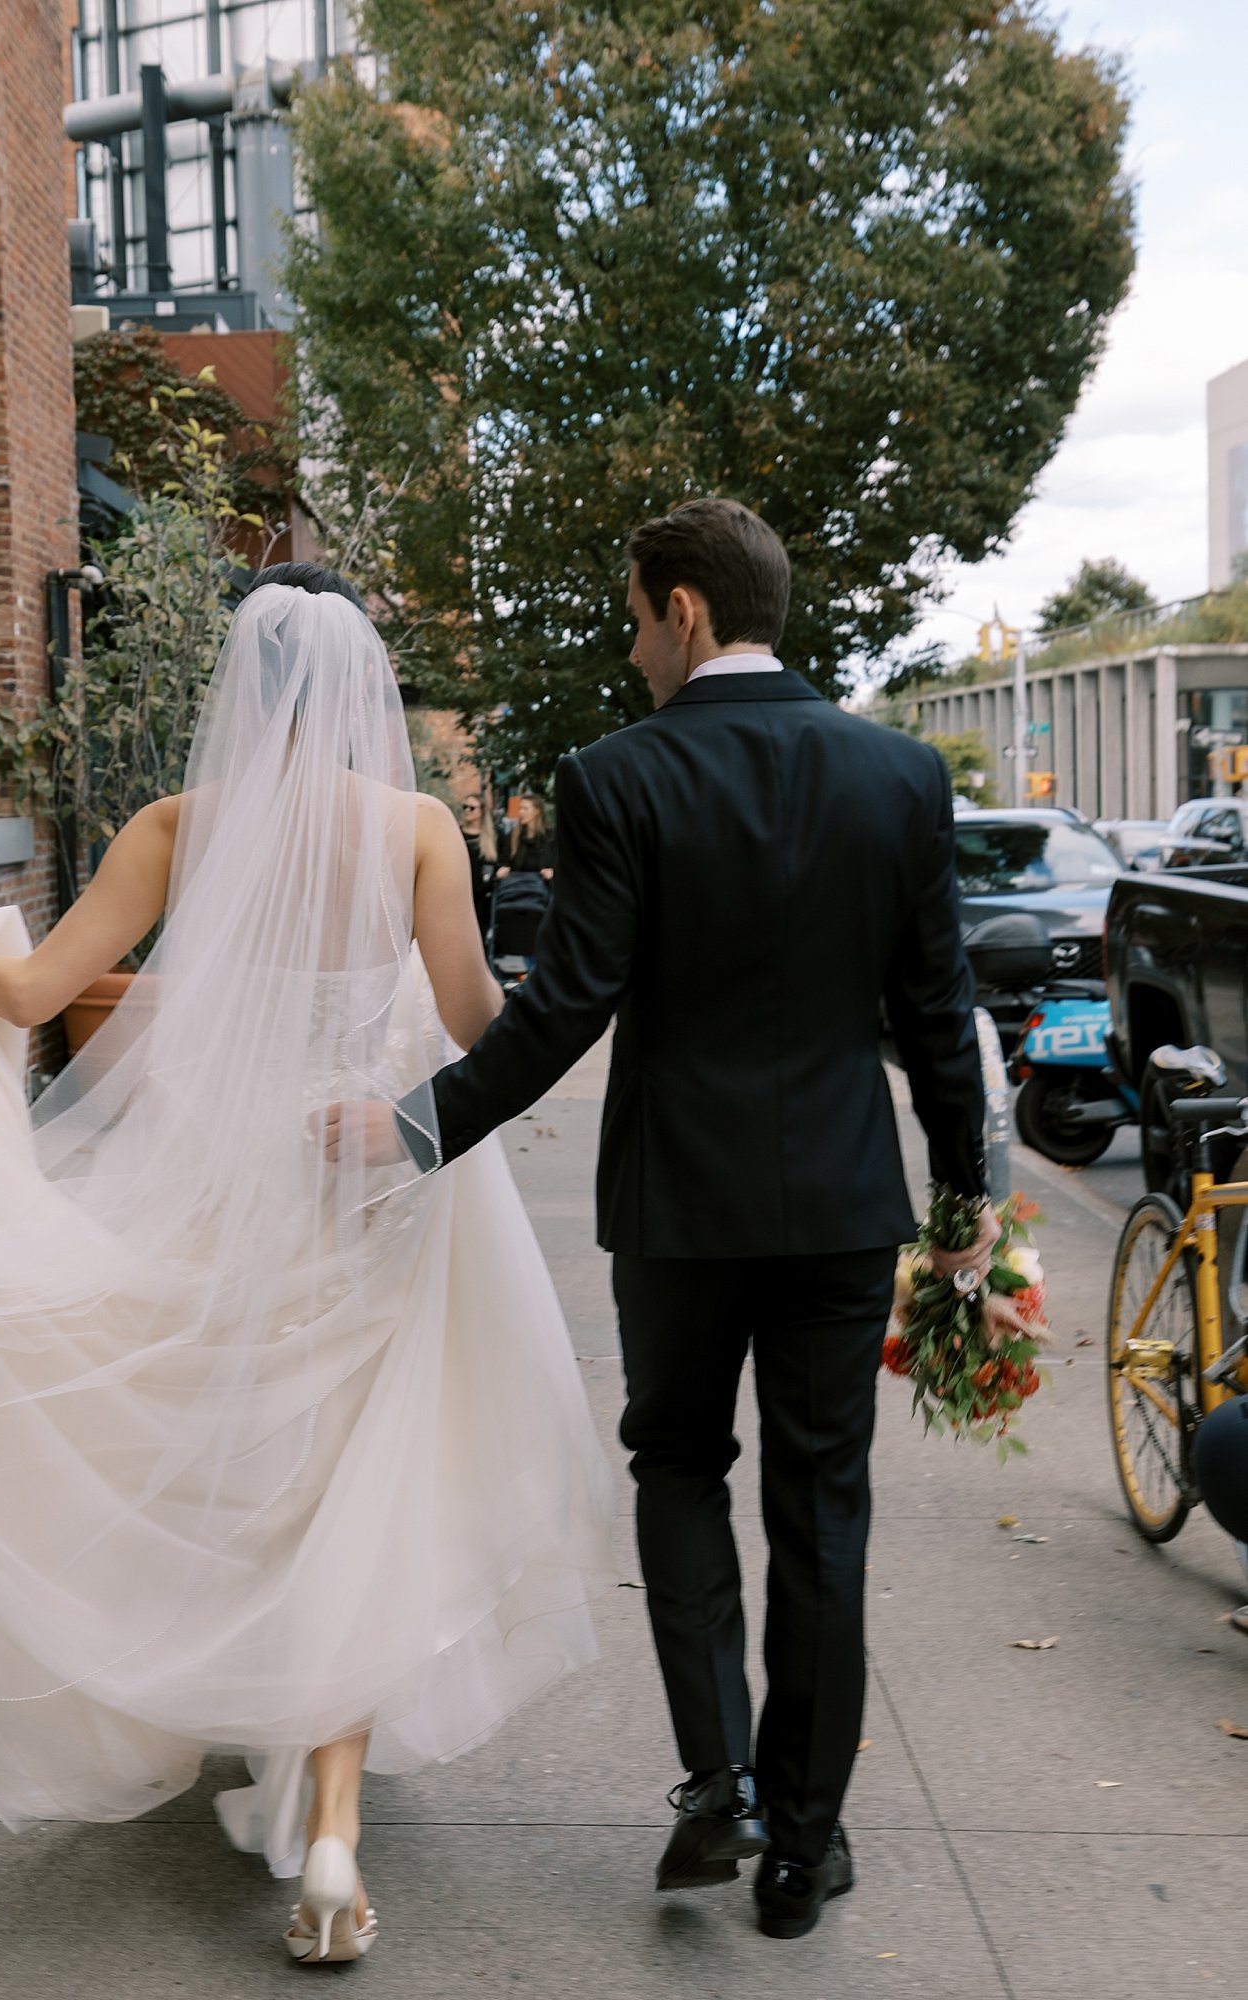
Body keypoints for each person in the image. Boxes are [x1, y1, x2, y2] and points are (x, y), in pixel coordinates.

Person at [0, 564, 613, 1967]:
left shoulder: (174, 828)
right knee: (359, 1499)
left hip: (220, 1203)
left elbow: (31, 994)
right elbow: (474, 1025)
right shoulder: (414, 832)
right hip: (372, 1201)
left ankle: (258, 1716)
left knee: (251, 1492)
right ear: (357, 697)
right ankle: (331, 1833)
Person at [327, 498, 991, 1941]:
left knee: (678, 1467)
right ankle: (805, 1852)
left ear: (687, 609)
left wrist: (410, 1127)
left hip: (679, 1208)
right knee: (824, 1511)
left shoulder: (617, 778)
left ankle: (720, 1787)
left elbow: (568, 1006)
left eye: (635, 616)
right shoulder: (897, 776)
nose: (631, 648)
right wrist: (964, 1205)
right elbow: (940, 1014)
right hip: (836, 1209)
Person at [459, 792, 500, 932]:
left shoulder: (491, 837)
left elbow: (497, 864)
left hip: (482, 897)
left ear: (482, 811)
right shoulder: (456, 832)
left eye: (472, 807)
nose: (467, 811)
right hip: (459, 892)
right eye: (465, 807)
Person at [497, 793, 556, 884]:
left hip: (543, 889)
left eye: (525, 808)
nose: (520, 812)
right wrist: (502, 870)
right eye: (520, 808)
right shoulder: (513, 836)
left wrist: (552, 874)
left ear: (537, 811)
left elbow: (559, 863)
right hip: (517, 887)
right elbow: (504, 861)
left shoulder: (550, 836)